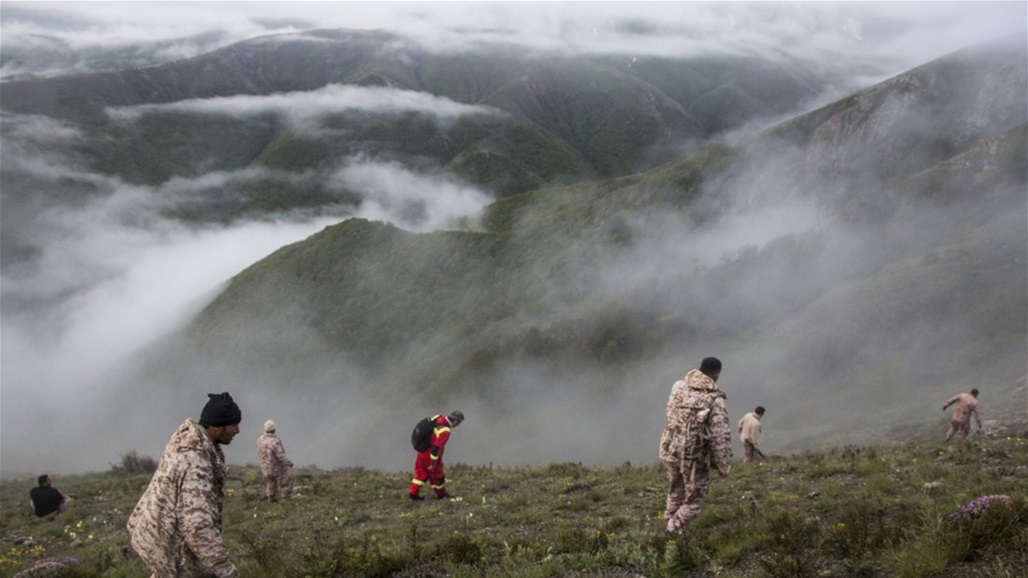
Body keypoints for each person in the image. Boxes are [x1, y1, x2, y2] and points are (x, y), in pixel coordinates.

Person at [127, 392, 242, 578]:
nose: (237, 430)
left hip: (159, 536)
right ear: (216, 426)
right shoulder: (196, 461)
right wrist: (225, 570)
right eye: (233, 424)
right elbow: (197, 525)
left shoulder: (187, 440)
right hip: (172, 547)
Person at [659, 357, 732, 533]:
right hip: (693, 455)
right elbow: (719, 435)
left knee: (676, 489)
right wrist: (723, 465)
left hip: (671, 447)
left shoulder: (678, 386)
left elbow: (670, 412)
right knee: (695, 500)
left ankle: (669, 519)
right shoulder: (714, 398)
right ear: (716, 375)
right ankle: (671, 532)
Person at [409, 410, 464, 501]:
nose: (457, 426)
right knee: (437, 474)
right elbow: (436, 449)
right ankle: (441, 494)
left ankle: (413, 493)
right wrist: (433, 463)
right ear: (456, 421)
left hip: (422, 448)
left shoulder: (438, 417)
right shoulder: (445, 430)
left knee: (421, 471)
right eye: (459, 423)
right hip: (429, 452)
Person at [257, 419, 294, 502]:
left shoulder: (260, 440)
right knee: (284, 482)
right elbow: (280, 455)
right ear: (274, 429)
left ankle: (271, 497)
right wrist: (288, 463)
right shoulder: (274, 442)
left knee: (270, 481)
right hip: (276, 467)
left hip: (265, 466)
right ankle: (286, 498)